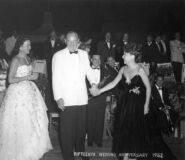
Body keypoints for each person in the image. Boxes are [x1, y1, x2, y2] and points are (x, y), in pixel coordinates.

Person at [0, 36, 52, 160]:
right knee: (20, 120)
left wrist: (33, 76)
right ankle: (19, 149)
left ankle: (30, 146)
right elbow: (10, 80)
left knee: (32, 119)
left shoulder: (28, 58)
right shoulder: (15, 60)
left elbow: (29, 73)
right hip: (18, 94)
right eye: (27, 45)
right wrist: (27, 78)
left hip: (30, 91)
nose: (30, 47)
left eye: (30, 45)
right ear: (20, 46)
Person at [90, 43, 151, 160]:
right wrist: (99, 91)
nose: (122, 57)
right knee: (124, 129)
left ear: (132, 56)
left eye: (125, 54)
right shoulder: (123, 69)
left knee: (134, 129)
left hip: (136, 105)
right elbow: (113, 84)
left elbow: (148, 87)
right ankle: (126, 155)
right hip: (124, 104)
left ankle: (132, 155)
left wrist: (146, 105)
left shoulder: (140, 69)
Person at [52, 31, 96, 160]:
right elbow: (55, 78)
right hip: (66, 99)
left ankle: (80, 152)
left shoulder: (83, 54)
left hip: (81, 98)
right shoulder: (58, 55)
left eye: (74, 41)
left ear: (79, 42)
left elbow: (89, 71)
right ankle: (68, 156)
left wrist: (93, 83)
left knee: (81, 129)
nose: (72, 44)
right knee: (67, 131)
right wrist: (58, 97)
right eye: (69, 41)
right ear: (65, 41)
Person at [87, 54, 117, 147]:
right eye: (95, 59)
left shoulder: (106, 70)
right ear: (91, 60)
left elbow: (110, 82)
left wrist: (108, 95)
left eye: (99, 59)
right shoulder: (86, 69)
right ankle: (90, 140)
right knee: (90, 119)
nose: (97, 61)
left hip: (102, 97)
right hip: (90, 98)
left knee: (100, 120)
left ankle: (98, 140)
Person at [149, 74, 178, 160]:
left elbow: (167, 101)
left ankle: (171, 128)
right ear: (155, 80)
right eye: (158, 80)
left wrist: (168, 106)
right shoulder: (151, 89)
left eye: (162, 80)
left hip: (165, 107)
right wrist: (161, 108)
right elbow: (152, 103)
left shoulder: (165, 89)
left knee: (174, 113)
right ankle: (165, 130)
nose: (160, 82)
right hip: (155, 109)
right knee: (162, 114)